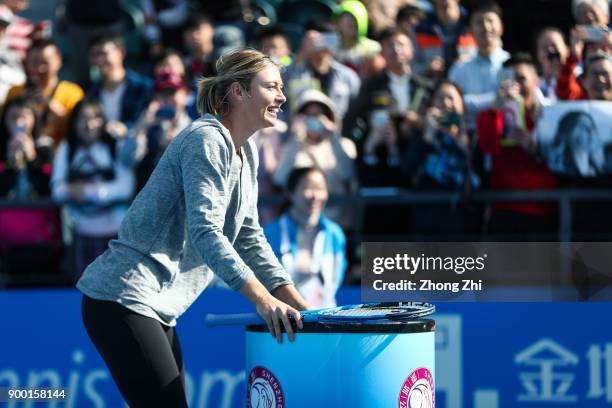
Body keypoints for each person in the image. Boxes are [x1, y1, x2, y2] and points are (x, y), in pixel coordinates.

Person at [77, 49, 311, 407]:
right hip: (122, 296)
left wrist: (295, 301)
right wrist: (263, 301)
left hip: (156, 305)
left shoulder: (247, 150)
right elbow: (208, 233)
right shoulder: (206, 139)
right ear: (238, 91)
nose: (282, 96)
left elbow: (248, 235)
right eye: (272, 87)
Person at [476, 53, 559, 236]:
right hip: (504, 211)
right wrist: (495, 110)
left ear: (536, 80)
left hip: (542, 211)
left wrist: (536, 149)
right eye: (509, 80)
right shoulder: (491, 114)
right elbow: (486, 146)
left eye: (521, 79)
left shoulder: (550, 113)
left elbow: (559, 159)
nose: (515, 86)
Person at [51, 100, 136, 276]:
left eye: (94, 118)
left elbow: (126, 187)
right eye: (82, 119)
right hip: (81, 234)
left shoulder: (114, 146)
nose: (89, 125)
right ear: (74, 122)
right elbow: (57, 189)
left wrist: (90, 192)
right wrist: (70, 191)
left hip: (116, 235)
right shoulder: (67, 149)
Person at [401, 80, 479, 235]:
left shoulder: (472, 137)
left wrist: (463, 146)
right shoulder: (423, 137)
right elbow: (407, 170)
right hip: (427, 223)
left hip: (462, 222)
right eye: (440, 98)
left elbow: (479, 177)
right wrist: (427, 136)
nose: (445, 103)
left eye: (451, 98)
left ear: (461, 105)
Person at [265, 167, 347, 307]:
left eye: (320, 188)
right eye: (308, 188)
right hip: (284, 321)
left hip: (326, 320)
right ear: (290, 192)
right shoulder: (270, 234)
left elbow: (336, 279)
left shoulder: (335, 234)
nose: (315, 196)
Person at [273, 88, 356, 228]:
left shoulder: (344, 145)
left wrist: (333, 137)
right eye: (308, 115)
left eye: (319, 115)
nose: (314, 120)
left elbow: (348, 174)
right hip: (300, 222)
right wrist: (296, 141)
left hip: (338, 222)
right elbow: (280, 179)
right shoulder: (290, 147)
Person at [0, 97, 62, 276]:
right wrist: (11, 165)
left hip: (43, 238)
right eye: (13, 118)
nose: (19, 123)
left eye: (24, 117)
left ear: (34, 119)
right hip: (7, 241)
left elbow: (48, 188)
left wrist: (33, 158)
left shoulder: (46, 150)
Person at [4, 39, 84, 147]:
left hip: (58, 154)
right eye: (34, 62)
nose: (40, 68)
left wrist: (49, 104)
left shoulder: (72, 92)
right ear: (26, 63)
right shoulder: (15, 92)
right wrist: (17, 104)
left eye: (45, 62)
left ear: (58, 61)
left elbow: (79, 128)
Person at [448, 1, 509, 132]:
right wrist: (496, 99)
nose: (486, 27)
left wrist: (468, 101)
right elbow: (452, 107)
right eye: (479, 22)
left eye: (490, 21)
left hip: (506, 137)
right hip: (469, 139)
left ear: (501, 26)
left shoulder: (511, 65)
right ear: (470, 30)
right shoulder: (459, 69)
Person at [284, 21, 360, 120]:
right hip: (297, 132)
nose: (323, 44)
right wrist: (302, 52)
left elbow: (353, 112)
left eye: (330, 39)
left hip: (334, 132)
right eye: (317, 40)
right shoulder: (295, 69)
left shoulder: (348, 77)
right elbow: (283, 85)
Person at [413, 0, 477, 79]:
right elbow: (410, 66)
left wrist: (471, 62)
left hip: (470, 84)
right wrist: (426, 68)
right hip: (432, 86)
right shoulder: (420, 28)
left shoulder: (475, 23)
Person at [332, 0, 382, 79]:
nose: (352, 21)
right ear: (337, 21)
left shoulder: (372, 49)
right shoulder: (328, 47)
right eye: (347, 16)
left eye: (355, 18)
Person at [548, 111, 604, 177]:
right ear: (566, 133)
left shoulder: (598, 170)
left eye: (592, 127)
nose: (590, 131)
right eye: (582, 126)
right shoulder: (556, 169)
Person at [535, 27, 569, 103]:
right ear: (537, 53)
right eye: (544, 47)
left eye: (554, 46)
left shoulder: (580, 80)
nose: (550, 51)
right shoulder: (532, 86)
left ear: (567, 50)